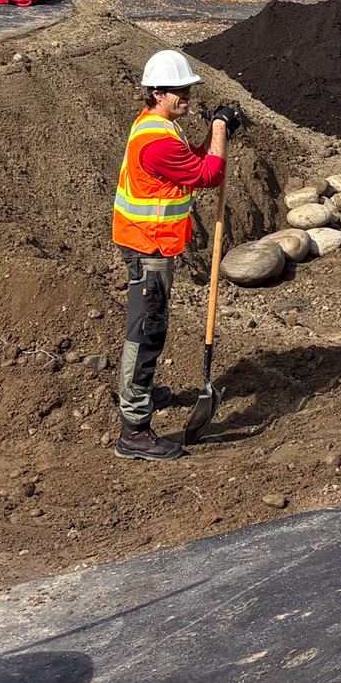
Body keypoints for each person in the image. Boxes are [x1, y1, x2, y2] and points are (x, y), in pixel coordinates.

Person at [109, 48, 240, 462]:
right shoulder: (156, 143)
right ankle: (133, 430)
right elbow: (210, 174)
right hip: (148, 247)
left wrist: (216, 135)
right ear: (158, 92)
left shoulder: (161, 128)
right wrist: (218, 125)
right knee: (145, 334)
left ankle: (142, 394)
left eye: (188, 89)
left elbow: (197, 162)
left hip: (152, 244)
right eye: (181, 90)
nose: (188, 96)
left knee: (151, 326)